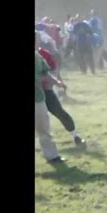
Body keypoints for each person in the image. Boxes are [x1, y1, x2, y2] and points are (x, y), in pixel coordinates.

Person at [38, 44, 87, 148]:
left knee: (59, 111)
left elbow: (48, 72)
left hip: (45, 90)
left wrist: (55, 81)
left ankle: (76, 136)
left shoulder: (41, 55)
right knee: (40, 119)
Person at [35, 31, 66, 163]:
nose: (38, 42)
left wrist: (56, 81)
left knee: (44, 128)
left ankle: (52, 156)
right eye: (36, 40)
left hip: (38, 98)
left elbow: (44, 73)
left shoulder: (37, 56)